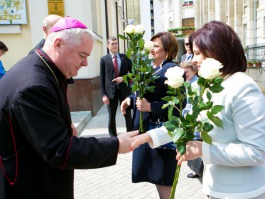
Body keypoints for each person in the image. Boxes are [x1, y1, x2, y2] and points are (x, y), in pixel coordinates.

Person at [0, 17, 138, 199]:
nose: (85, 63)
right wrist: (116, 144)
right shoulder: (34, 85)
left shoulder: (42, 68)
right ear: (58, 44)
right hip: (30, 185)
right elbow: (59, 150)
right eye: (82, 55)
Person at [130, 21, 265, 199]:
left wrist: (203, 149)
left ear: (217, 51)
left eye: (198, 53)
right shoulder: (212, 85)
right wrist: (148, 137)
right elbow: (188, 124)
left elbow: (257, 151)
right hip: (217, 187)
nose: (193, 59)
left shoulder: (242, 87)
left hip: (242, 193)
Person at [121, 32, 181, 199]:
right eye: (151, 45)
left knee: (163, 178)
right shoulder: (152, 68)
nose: (152, 49)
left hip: (161, 132)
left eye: (156, 46)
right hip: (148, 130)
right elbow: (144, 92)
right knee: (156, 176)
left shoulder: (173, 70)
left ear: (168, 50)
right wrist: (130, 99)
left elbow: (178, 103)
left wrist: (151, 107)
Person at [100, 36, 133, 137]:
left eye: (116, 43)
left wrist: (124, 78)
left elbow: (133, 73)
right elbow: (102, 78)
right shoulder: (104, 59)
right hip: (111, 93)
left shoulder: (125, 58)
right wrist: (103, 95)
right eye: (112, 43)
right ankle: (113, 137)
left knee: (127, 115)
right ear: (108, 45)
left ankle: (130, 134)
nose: (115, 45)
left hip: (125, 91)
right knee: (111, 116)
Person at [180, 61, 204, 179]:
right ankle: (196, 169)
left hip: (193, 117)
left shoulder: (196, 84)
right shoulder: (187, 82)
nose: (184, 74)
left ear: (194, 71)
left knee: (194, 141)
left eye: (186, 72)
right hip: (188, 116)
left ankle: (198, 169)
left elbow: (195, 104)